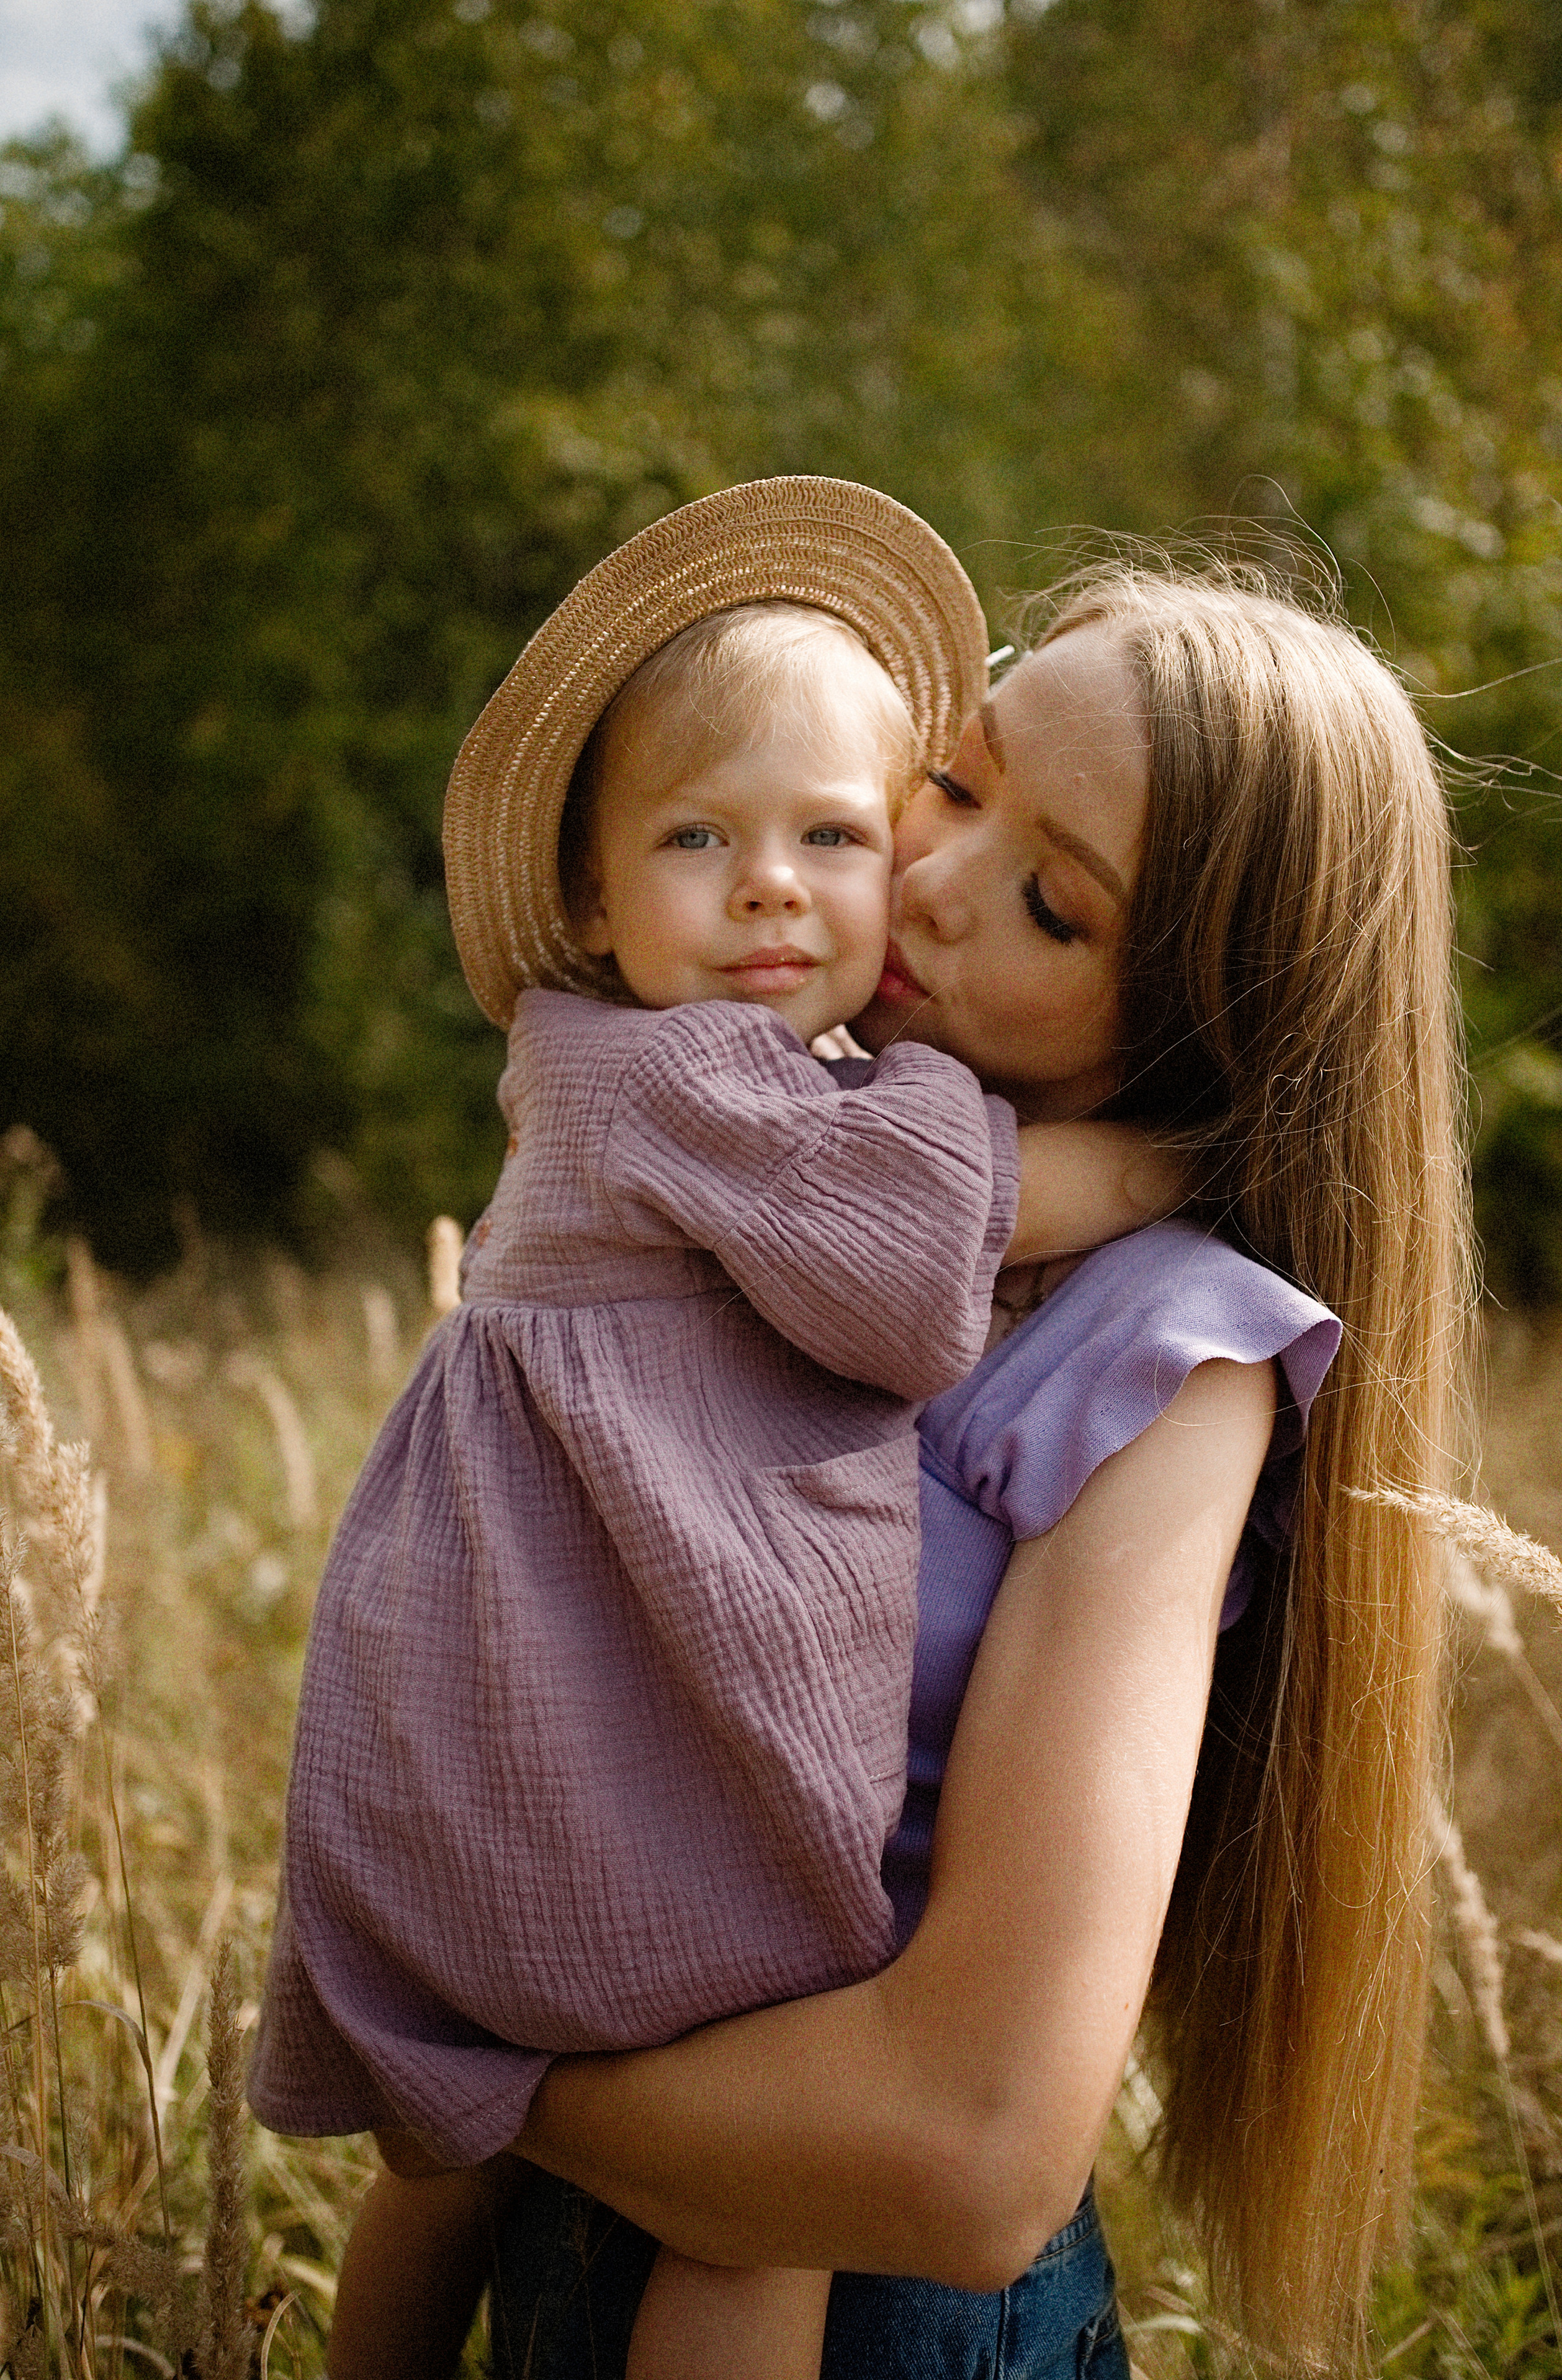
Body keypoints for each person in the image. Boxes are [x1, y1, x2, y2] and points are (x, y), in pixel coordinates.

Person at [456, 554, 1471, 2379]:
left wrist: (459, 2053)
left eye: (1053, 906)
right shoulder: (778, 1145)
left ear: (1194, 1023)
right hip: (562, 2264)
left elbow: (974, 2153)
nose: (925, 879)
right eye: (956, 776)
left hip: (874, 2313)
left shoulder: (1165, 1361)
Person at [246, 480, 1176, 2380]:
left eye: (835, 833)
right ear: (593, 905)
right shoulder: (658, 1070)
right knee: (752, 2227)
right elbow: (934, 1243)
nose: (772, 884)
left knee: (450, 2163)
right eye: (699, 836)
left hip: (543, 1721)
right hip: (600, 1756)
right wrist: (1186, 1161)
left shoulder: (723, 1071)